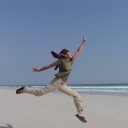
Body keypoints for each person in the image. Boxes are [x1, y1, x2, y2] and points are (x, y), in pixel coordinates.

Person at [16, 37, 87, 123]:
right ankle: (25, 89)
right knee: (39, 93)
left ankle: (80, 113)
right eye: (69, 52)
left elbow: (78, 51)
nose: (71, 53)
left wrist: (83, 43)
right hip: (57, 82)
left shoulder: (71, 61)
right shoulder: (61, 61)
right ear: (65, 54)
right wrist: (38, 69)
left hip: (63, 84)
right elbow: (49, 66)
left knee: (76, 95)